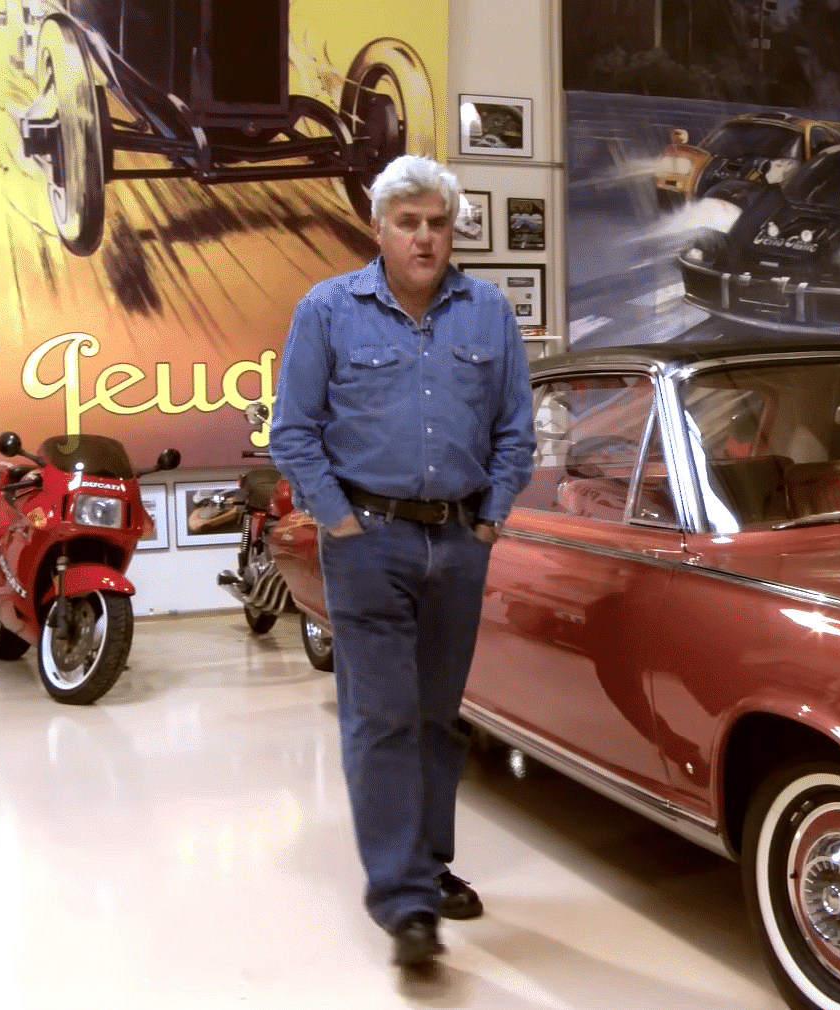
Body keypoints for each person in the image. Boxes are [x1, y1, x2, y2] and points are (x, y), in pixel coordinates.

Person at [271, 155, 534, 967]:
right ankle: (405, 901)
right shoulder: (328, 311)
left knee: (436, 719)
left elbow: (515, 430)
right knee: (382, 718)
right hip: (369, 543)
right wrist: (340, 522)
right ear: (377, 229)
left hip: (458, 541)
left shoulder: (487, 312)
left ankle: (427, 862)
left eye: (438, 224)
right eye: (409, 222)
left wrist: (489, 521)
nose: (425, 237)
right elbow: (294, 430)